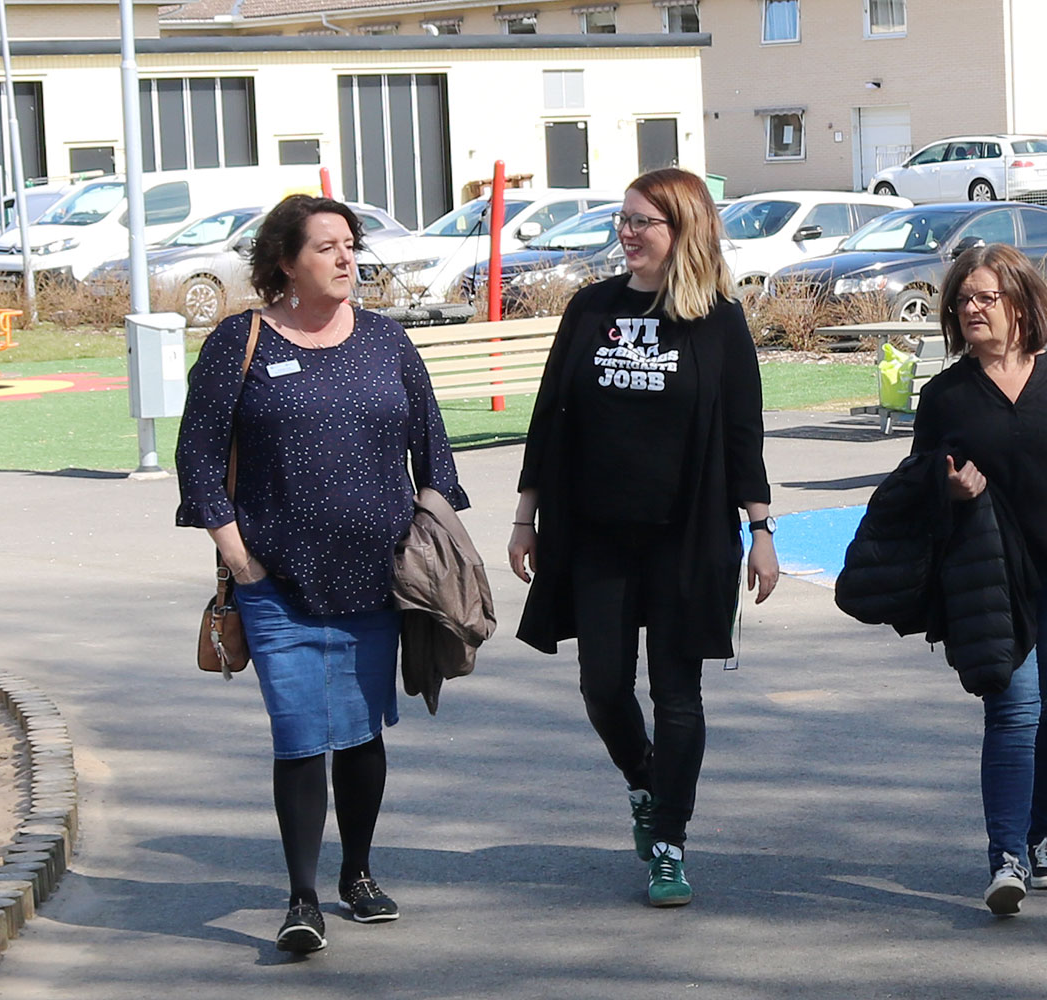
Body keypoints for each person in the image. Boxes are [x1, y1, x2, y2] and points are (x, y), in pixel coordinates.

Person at [176, 193, 469, 954]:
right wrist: (240, 560)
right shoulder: (239, 342)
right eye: (327, 247)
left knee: (361, 734)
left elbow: (434, 455)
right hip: (277, 584)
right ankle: (303, 896)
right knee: (301, 734)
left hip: (378, 579)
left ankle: (359, 874)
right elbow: (199, 460)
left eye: (351, 245)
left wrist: (427, 540)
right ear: (284, 262)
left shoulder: (386, 343)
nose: (346, 259)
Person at [508, 167, 778, 908]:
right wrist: (525, 516)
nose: (626, 234)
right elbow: (549, 416)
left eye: (641, 222)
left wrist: (761, 530)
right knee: (601, 688)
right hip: (594, 533)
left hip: (686, 535)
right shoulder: (590, 309)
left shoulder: (718, 319)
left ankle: (668, 841)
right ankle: (646, 783)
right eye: (622, 220)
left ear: (681, 230)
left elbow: (741, 433)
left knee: (678, 695)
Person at [910, 243, 1047, 916]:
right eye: (963, 299)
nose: (971, 309)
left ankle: (1045, 838)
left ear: (1019, 303)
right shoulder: (944, 394)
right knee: (1013, 707)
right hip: (986, 579)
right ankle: (1006, 854)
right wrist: (946, 491)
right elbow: (911, 492)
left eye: (985, 297)